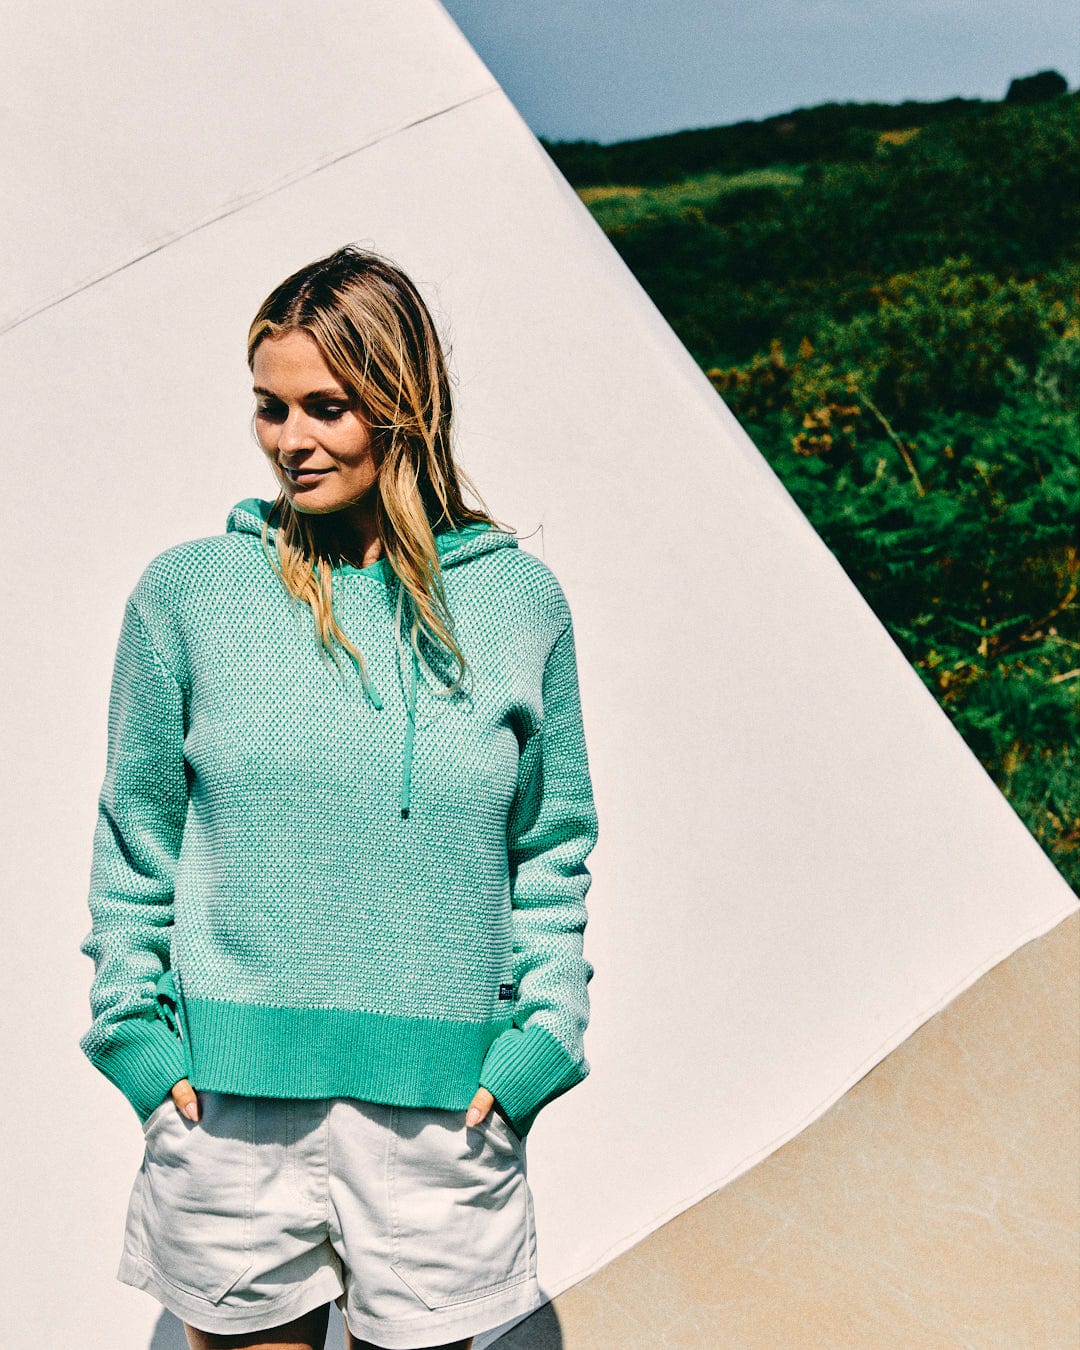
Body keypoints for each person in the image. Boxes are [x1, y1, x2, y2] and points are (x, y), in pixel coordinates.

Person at [78, 244, 601, 1350]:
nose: (292, 441)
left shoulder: (516, 604)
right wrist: (135, 1035)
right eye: (271, 408)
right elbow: (136, 839)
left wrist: (538, 1045)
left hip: (441, 1118)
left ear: (405, 404)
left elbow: (552, 844)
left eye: (328, 406)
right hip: (226, 1111)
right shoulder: (191, 595)